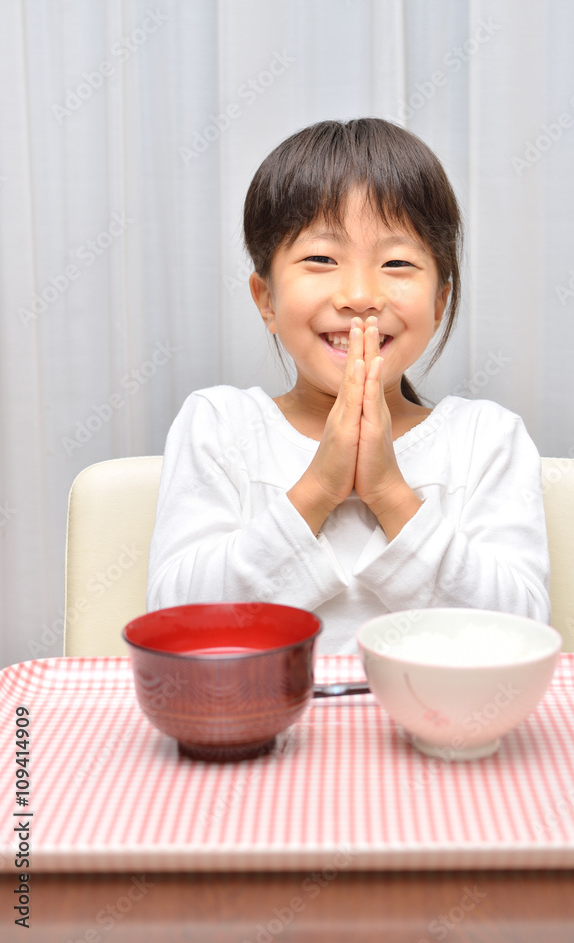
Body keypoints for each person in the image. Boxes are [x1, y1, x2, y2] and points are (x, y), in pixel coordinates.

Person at [146, 118, 550, 653]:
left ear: (439, 303)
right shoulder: (219, 425)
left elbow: (521, 632)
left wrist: (389, 494)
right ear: (266, 299)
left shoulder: (487, 438)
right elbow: (176, 624)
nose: (360, 295)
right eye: (320, 259)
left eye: (397, 262)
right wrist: (317, 489)